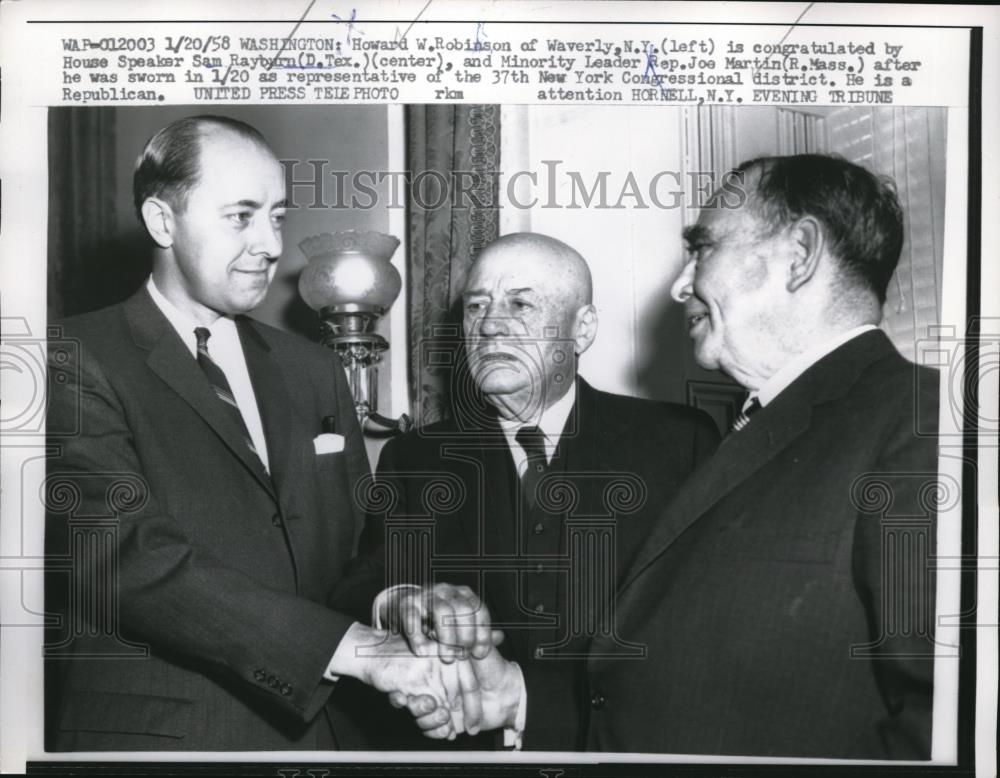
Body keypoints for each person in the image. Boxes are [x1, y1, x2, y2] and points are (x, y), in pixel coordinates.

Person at [405, 154, 940, 758]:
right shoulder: (765, 428)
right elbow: (698, 679)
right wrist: (518, 700)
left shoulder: (921, 423)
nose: (680, 285)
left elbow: (947, 725)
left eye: (703, 248)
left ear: (799, 254)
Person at [45, 115, 473, 751]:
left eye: (277, 216)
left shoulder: (314, 369)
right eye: (240, 216)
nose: (271, 244)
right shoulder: (70, 357)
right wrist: (354, 649)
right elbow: (123, 557)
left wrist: (394, 601)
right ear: (162, 221)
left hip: (324, 739)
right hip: (164, 743)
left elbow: (356, 549)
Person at [352, 232, 720, 750]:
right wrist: (400, 600)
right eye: (476, 306)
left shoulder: (680, 444)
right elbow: (360, 583)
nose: (490, 324)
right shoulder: (414, 458)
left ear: (581, 329)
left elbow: (707, 630)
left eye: (520, 304)